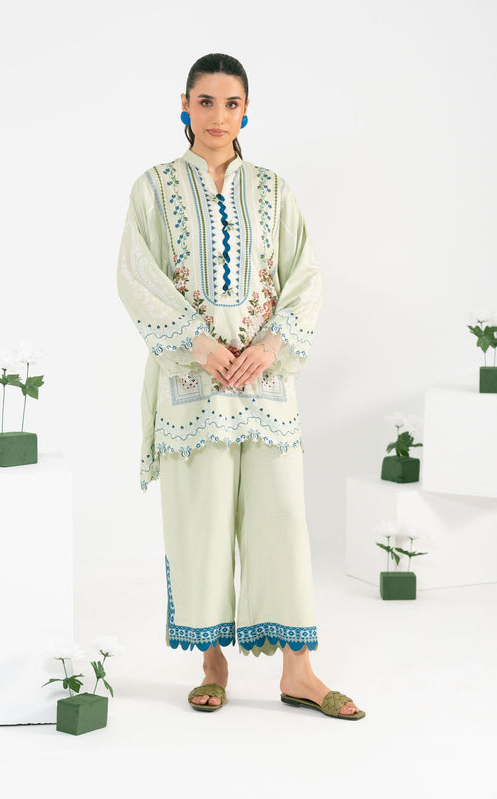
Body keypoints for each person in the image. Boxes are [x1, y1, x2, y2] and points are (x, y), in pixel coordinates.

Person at [117, 53, 365, 720]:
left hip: (263, 385)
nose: (218, 116)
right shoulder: (153, 187)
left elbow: (303, 277)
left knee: (281, 522)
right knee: (200, 522)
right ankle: (212, 661)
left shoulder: (273, 189)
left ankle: (300, 673)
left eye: (231, 103)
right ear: (184, 105)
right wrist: (198, 343)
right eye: (205, 101)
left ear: (246, 110)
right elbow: (136, 275)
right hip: (191, 384)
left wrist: (268, 346)